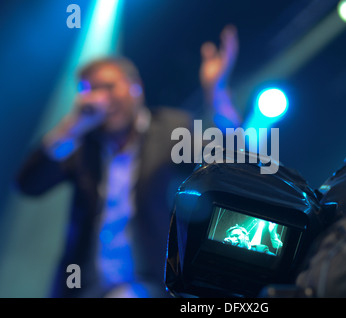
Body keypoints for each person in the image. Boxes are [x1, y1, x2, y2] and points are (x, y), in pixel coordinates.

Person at [16, 25, 241, 298]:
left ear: (136, 88)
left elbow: (229, 161)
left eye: (109, 87)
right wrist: (73, 126)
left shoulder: (170, 128)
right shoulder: (81, 142)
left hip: (145, 282)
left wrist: (217, 94)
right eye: (90, 90)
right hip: (82, 287)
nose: (101, 99)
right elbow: (29, 184)